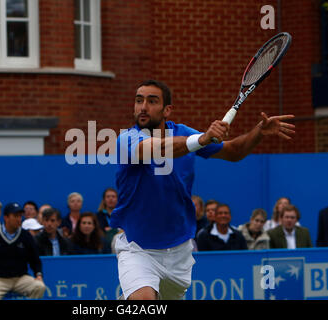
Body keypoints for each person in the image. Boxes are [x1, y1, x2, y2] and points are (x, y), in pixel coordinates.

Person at [110, 79, 295, 300]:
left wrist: (259, 132)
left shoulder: (183, 133)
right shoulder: (127, 139)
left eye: (152, 101)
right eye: (139, 100)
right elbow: (157, 148)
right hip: (137, 246)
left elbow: (233, 151)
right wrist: (202, 139)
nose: (143, 107)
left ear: (167, 109)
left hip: (179, 251)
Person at [0, 202, 45, 300]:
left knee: (39, 287)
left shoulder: (26, 236)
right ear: (6, 217)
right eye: (15, 216)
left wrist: (38, 274)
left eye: (20, 216)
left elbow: (35, 260)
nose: (19, 219)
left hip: (20, 278)